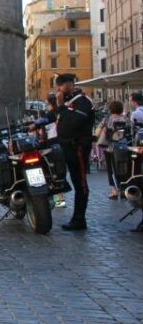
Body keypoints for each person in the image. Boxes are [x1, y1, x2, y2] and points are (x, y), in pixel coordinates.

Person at [54, 73, 94, 231]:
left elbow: (74, 122)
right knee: (65, 177)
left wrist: (61, 105)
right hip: (66, 147)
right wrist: (36, 124)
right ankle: (70, 213)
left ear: (70, 84)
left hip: (78, 147)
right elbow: (54, 116)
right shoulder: (69, 102)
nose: (58, 89)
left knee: (80, 183)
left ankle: (79, 219)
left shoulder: (82, 101)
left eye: (61, 85)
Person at [94, 100, 125, 200]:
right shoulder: (126, 118)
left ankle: (113, 190)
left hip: (109, 147)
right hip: (123, 146)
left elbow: (97, 131)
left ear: (110, 109)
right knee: (122, 167)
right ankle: (123, 189)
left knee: (110, 169)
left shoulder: (107, 119)